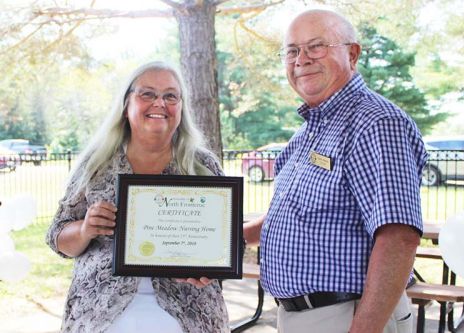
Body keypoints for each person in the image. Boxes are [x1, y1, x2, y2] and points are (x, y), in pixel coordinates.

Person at [243, 9, 428, 333]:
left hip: (350, 317)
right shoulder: (308, 133)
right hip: (303, 317)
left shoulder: (376, 122)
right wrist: (226, 236)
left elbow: (398, 237)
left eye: (316, 46)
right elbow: (289, 215)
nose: (302, 59)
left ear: (352, 54)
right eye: (292, 50)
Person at [46, 61, 229, 333]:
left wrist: (207, 270)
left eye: (170, 95)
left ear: (181, 106)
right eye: (147, 94)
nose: (159, 103)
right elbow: (57, 238)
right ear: (126, 103)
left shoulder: (202, 166)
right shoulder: (97, 163)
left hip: (188, 310)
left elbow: (225, 244)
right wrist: (85, 229)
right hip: (101, 310)